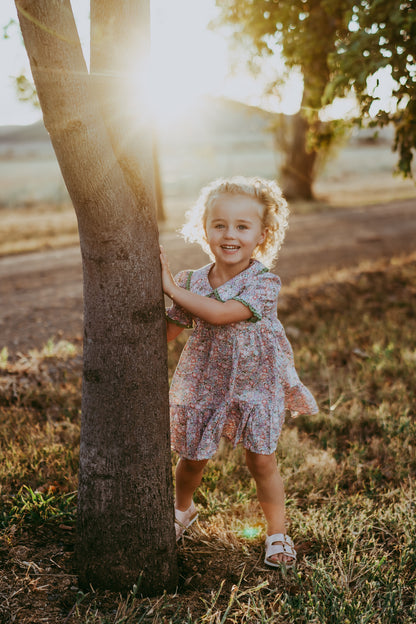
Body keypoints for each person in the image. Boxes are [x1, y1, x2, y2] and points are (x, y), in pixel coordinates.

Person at [160, 176, 318, 568]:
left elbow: (220, 313)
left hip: (256, 383)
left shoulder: (263, 283)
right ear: (205, 229)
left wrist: (172, 290)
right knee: (192, 457)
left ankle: (278, 534)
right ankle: (181, 512)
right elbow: (167, 333)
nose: (229, 235)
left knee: (261, 460)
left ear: (263, 235)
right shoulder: (193, 282)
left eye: (242, 226)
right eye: (219, 224)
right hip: (204, 383)